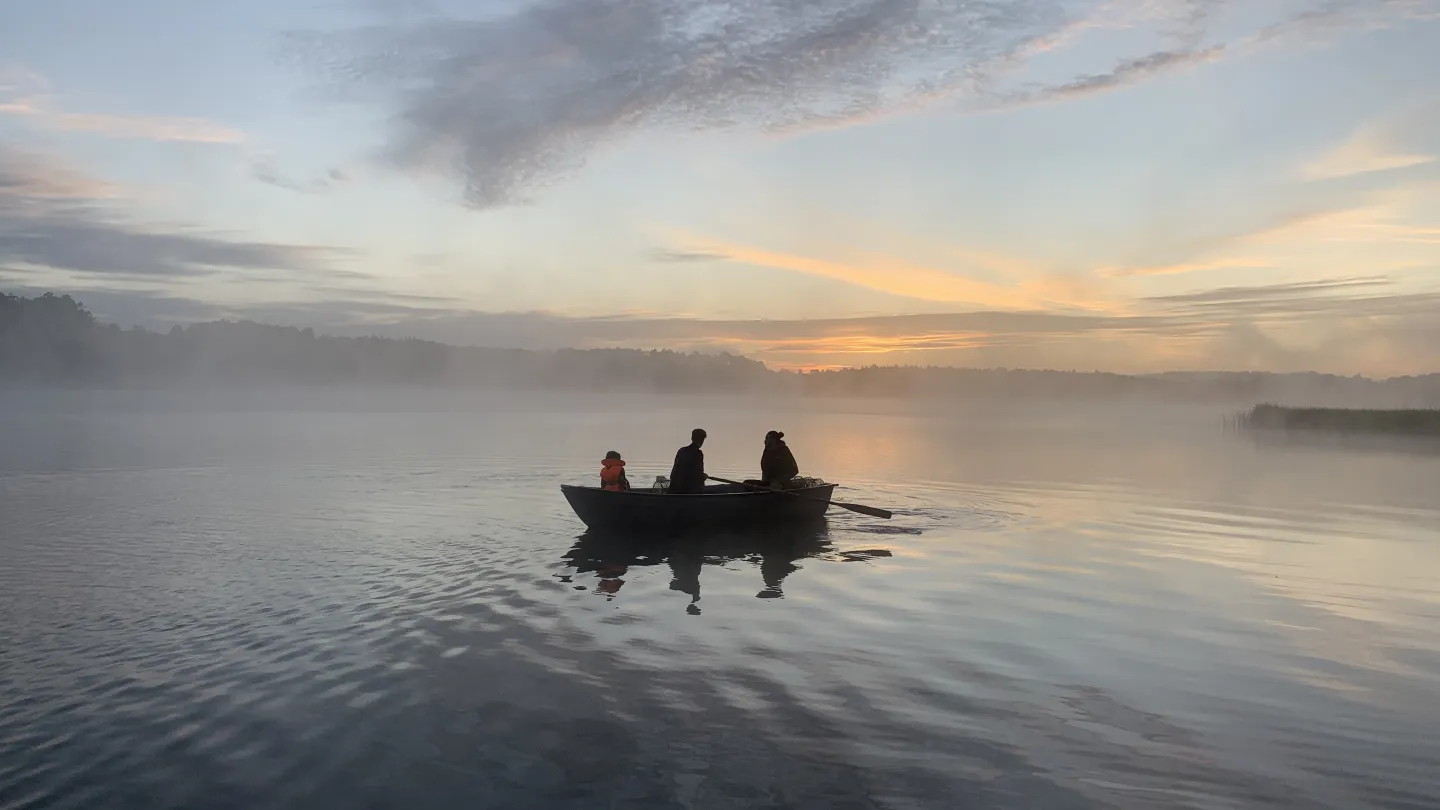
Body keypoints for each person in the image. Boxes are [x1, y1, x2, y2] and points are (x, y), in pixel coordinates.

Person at [667, 428, 707, 494]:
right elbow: (697, 475)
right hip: (688, 490)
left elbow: (674, 473)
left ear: (692, 438)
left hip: (673, 489)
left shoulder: (681, 451)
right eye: (702, 439)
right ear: (702, 440)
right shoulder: (698, 454)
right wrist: (703, 476)